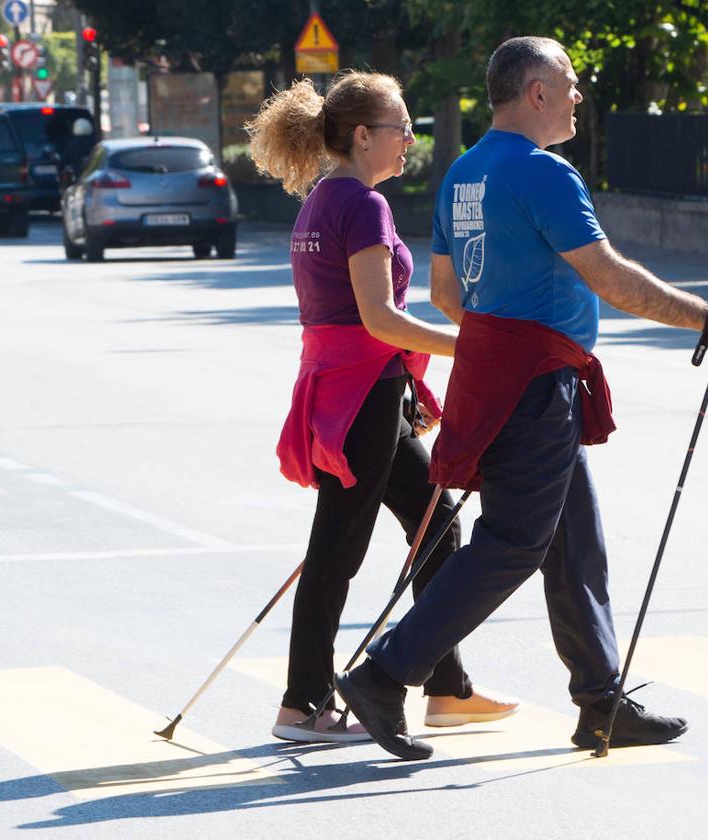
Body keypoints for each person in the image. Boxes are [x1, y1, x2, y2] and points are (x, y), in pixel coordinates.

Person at [335, 36, 708, 761]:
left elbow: (442, 293)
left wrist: (499, 337)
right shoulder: (545, 173)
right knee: (515, 543)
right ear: (535, 92)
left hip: (498, 377)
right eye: (569, 83)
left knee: (575, 544)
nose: (578, 96)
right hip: (533, 386)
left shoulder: (461, 173)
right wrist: (707, 318)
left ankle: (600, 703)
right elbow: (611, 279)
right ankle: (384, 673)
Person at [247, 71, 517, 743]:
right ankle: (304, 702)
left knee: (438, 524)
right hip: (360, 394)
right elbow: (380, 319)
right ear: (364, 136)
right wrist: (471, 348)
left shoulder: (323, 199)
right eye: (402, 129)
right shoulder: (362, 206)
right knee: (337, 547)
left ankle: (445, 686)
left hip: (356, 390)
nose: (410, 142)